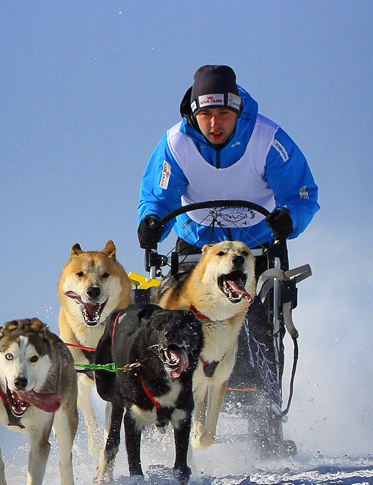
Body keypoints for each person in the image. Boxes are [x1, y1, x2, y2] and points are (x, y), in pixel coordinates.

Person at [136, 64, 319, 426]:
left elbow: (301, 195)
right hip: (197, 248)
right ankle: (171, 400)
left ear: (238, 111)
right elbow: (157, 197)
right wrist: (152, 222)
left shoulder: (267, 140)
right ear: (194, 114)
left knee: (257, 321)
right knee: (176, 318)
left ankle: (263, 410)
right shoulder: (175, 144)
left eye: (223, 114)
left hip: (255, 249)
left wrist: (289, 218)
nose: (215, 124)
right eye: (206, 115)